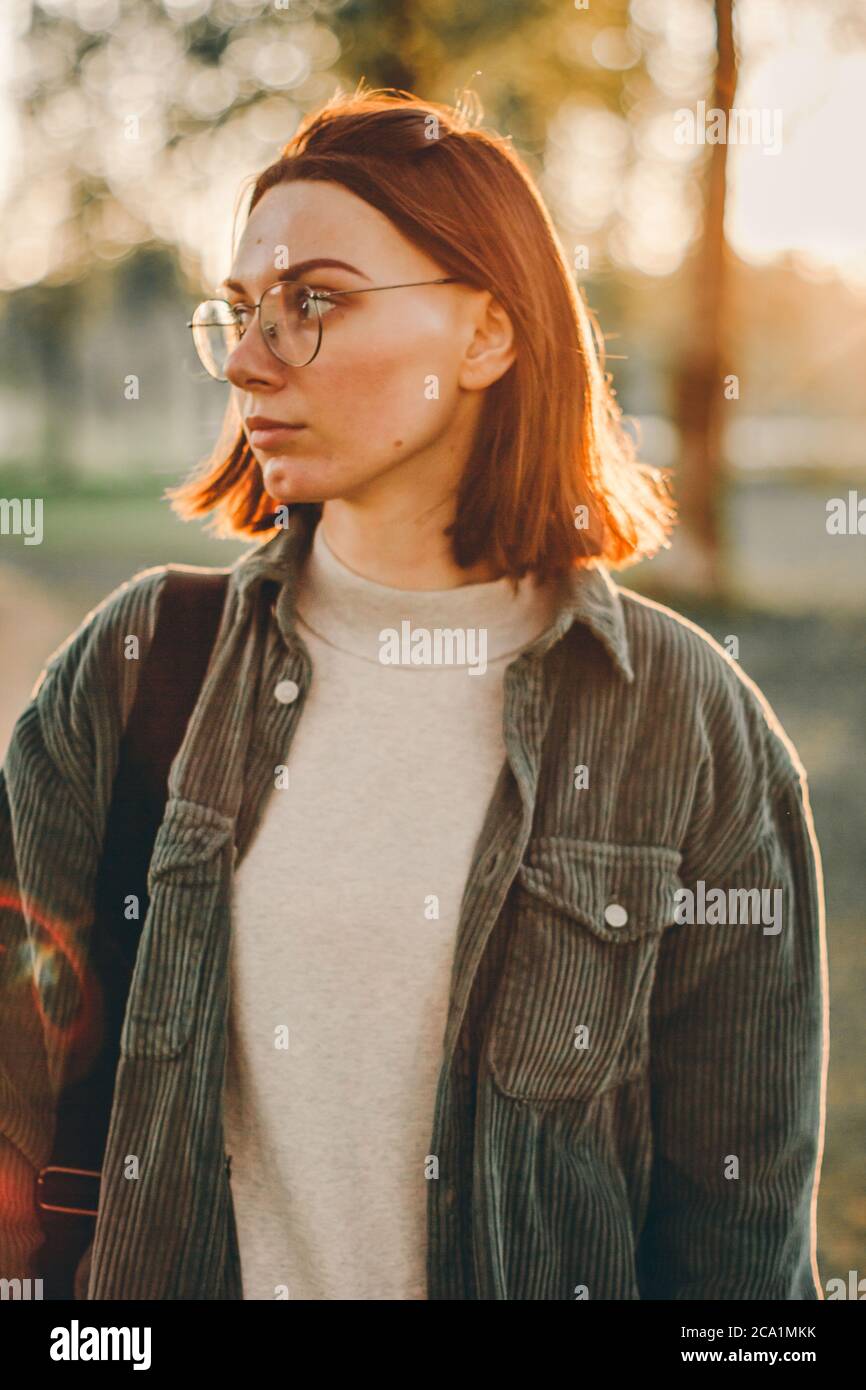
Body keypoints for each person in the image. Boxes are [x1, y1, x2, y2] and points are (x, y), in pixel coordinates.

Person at [0, 86, 827, 1301]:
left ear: (488, 336)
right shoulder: (139, 666)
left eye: (312, 303)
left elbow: (737, 1254)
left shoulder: (689, 728)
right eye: (237, 314)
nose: (243, 359)